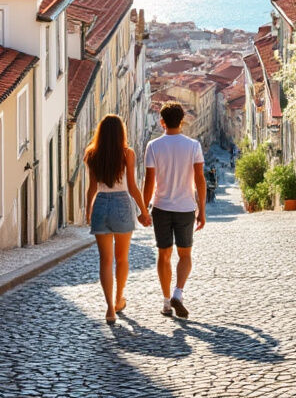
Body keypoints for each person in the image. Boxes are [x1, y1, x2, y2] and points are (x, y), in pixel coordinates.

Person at [84, 114, 151, 324]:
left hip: (101, 204)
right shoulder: (127, 154)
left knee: (105, 260)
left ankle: (110, 308)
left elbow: (92, 188)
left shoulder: (92, 153)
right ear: (121, 132)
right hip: (122, 203)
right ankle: (119, 297)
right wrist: (143, 211)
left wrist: (88, 211)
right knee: (122, 259)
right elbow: (132, 187)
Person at [142, 101, 206, 319]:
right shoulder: (193, 146)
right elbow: (200, 180)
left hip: (161, 207)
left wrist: (143, 208)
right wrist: (202, 210)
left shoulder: (153, 146)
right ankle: (178, 292)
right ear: (182, 121)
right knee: (185, 254)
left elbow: (149, 181)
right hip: (186, 208)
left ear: (162, 122)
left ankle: (166, 302)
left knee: (164, 254)